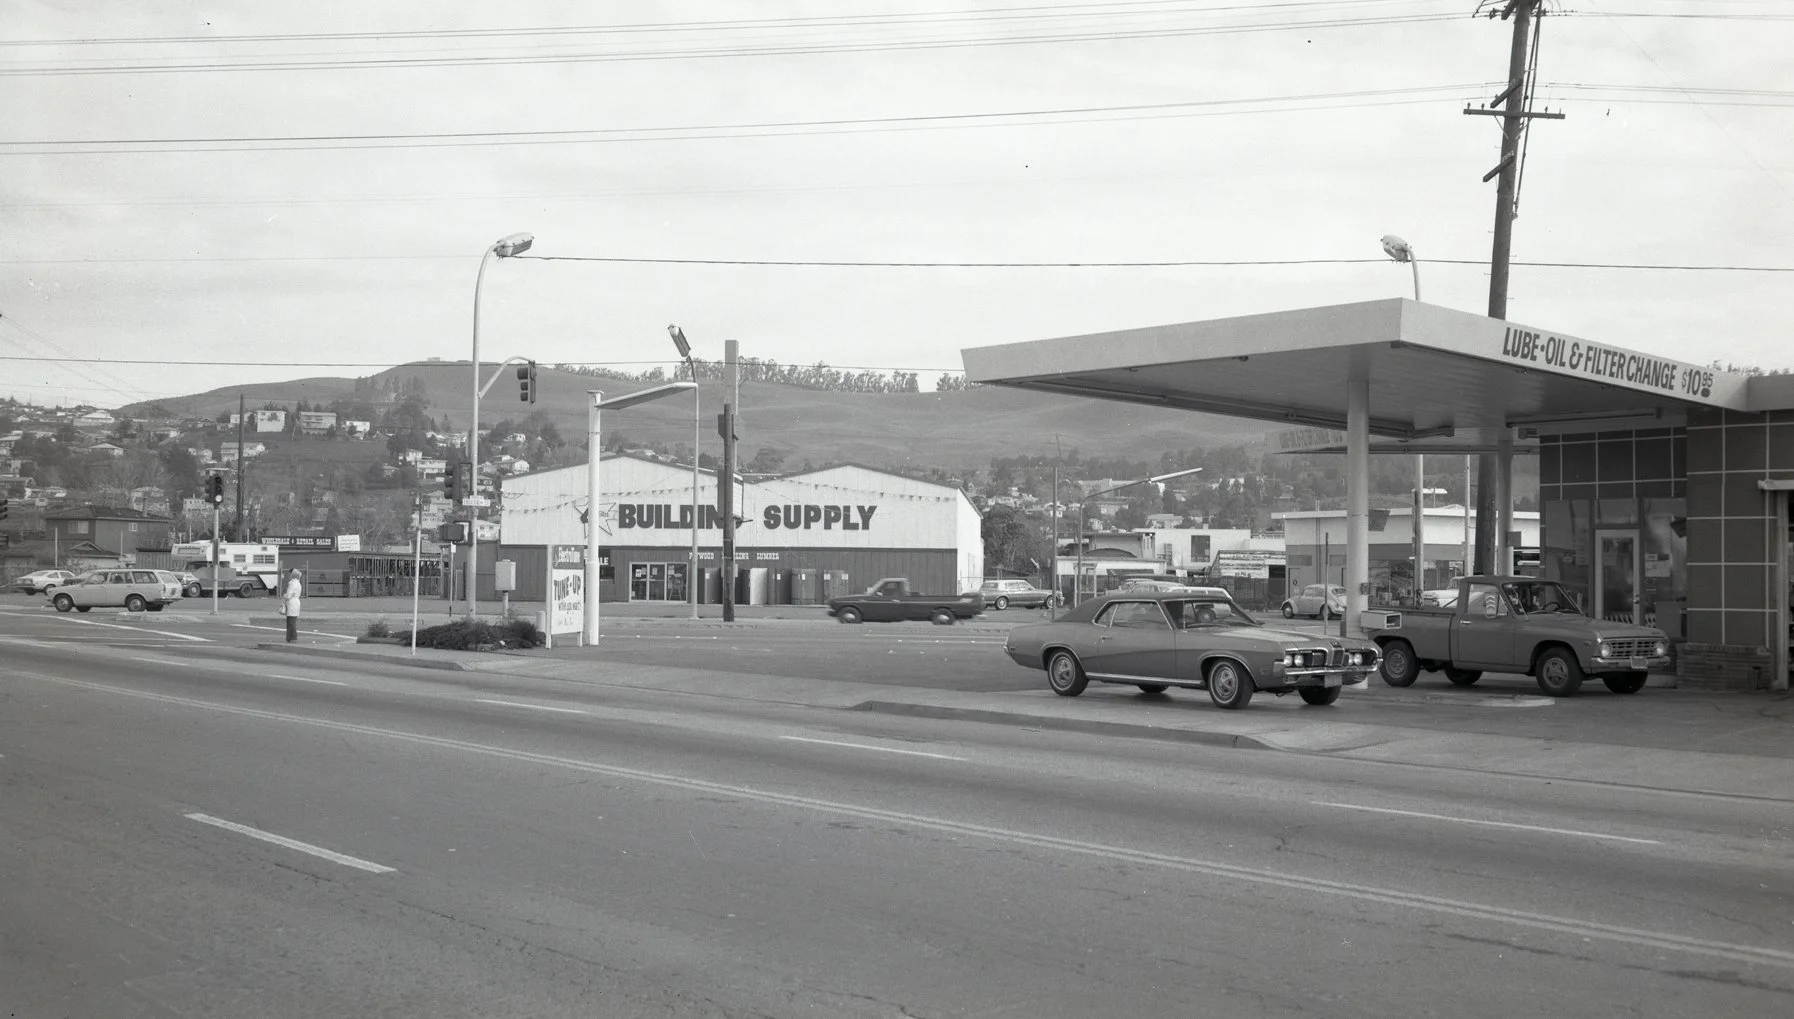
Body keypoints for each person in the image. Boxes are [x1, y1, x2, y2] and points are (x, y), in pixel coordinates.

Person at [281, 569, 303, 642]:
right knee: (292, 620)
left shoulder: (292, 583)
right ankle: (291, 637)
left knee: (290, 621)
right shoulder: (298, 583)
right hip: (296, 602)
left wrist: (285, 596)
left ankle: (292, 637)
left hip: (292, 602)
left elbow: (288, 594)